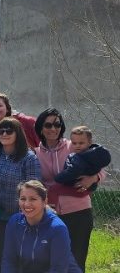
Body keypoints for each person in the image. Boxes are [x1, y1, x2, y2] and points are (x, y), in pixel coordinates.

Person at [34, 108, 102, 272]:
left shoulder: (74, 146)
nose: (53, 129)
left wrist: (92, 178)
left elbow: (100, 169)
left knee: (77, 260)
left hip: (79, 211)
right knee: (52, 259)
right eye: (48, 125)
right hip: (52, 213)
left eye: (57, 124)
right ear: (41, 129)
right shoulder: (36, 153)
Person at [0, 117, 41, 273]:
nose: (4, 134)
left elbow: (34, 188)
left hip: (22, 217)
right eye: (1, 131)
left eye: (9, 130)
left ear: (18, 133)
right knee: (1, 254)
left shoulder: (28, 158)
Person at [2, 180, 82, 273]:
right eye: (23, 199)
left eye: (33, 199)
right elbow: (8, 261)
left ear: (45, 201)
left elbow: (58, 269)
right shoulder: (14, 222)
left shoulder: (57, 228)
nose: (27, 204)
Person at [49, 126, 110, 207]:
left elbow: (74, 170)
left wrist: (93, 178)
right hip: (84, 190)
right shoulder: (96, 153)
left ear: (89, 142)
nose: (77, 146)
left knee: (53, 190)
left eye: (81, 143)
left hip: (75, 188)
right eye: (74, 143)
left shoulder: (78, 156)